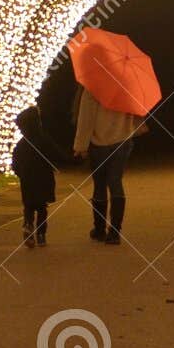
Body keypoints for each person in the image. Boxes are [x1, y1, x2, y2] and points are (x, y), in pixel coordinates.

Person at [72, 85, 148, 245]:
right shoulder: (126, 84)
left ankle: (99, 229)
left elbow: (86, 118)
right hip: (123, 139)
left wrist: (81, 146)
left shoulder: (93, 86)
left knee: (99, 184)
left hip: (99, 142)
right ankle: (115, 231)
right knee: (116, 182)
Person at [12, 104, 57, 247]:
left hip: (27, 181)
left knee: (29, 207)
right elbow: (55, 153)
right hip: (44, 180)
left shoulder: (21, 145)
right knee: (42, 208)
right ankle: (41, 234)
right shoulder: (44, 140)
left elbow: (15, 163)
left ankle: (28, 226)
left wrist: (20, 173)